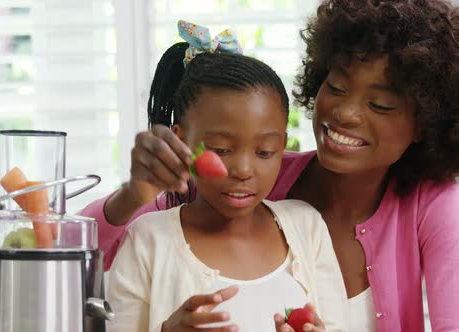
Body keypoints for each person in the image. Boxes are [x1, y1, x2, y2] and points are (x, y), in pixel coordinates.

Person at [80, 1, 459, 330]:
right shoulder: (242, 179)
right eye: (338, 88)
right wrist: (132, 194)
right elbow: (66, 253)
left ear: (426, 121)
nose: (344, 113)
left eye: (380, 105)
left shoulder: (435, 203)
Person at [106, 20, 347, 332]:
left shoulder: (307, 228)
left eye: (265, 152)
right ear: (181, 142)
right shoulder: (148, 241)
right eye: (220, 149)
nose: (244, 171)